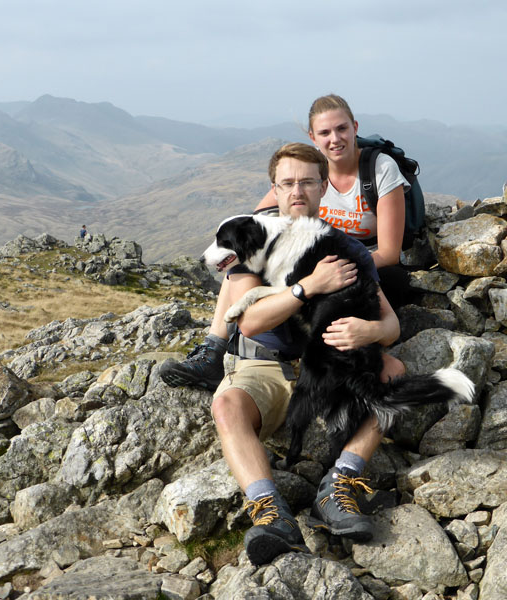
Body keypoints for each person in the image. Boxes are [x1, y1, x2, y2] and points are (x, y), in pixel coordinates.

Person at [210, 142, 399, 565]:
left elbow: (392, 327)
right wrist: (309, 287)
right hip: (267, 366)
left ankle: (340, 485)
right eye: (288, 183)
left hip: (330, 364)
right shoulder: (252, 242)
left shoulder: (342, 247)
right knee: (226, 406)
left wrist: (369, 329)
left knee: (393, 370)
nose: (298, 191)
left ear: (323, 187)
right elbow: (250, 321)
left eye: (308, 182)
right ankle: (271, 511)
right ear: (274, 189)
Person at [159, 94, 408, 391]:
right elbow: (257, 220)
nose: (335, 139)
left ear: (355, 127)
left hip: (359, 257)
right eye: (325, 133)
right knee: (245, 257)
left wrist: (340, 266)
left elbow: (390, 252)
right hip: (314, 257)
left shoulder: (378, 170)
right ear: (313, 137)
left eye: (342, 129)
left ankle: (332, 353)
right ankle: (214, 348)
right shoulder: (304, 174)